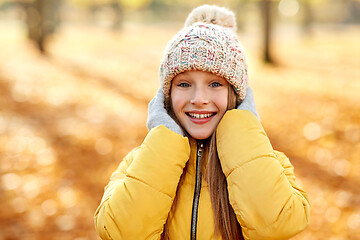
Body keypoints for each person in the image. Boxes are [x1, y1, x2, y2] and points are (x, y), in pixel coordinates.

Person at [94, 4, 310, 240]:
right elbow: (120, 232)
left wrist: (240, 131)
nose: (199, 99)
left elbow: (279, 225)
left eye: (215, 84)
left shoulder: (269, 163)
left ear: (237, 95)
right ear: (165, 97)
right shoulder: (139, 162)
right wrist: (165, 139)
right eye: (184, 84)